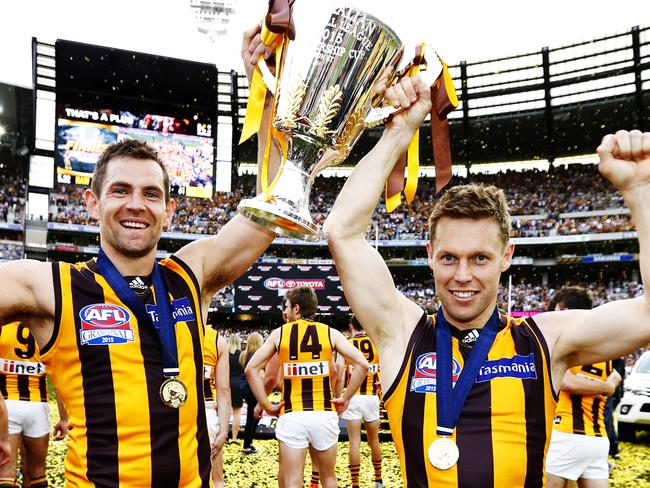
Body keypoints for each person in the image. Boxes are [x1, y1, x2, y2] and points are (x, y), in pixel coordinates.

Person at [323, 72, 650, 486]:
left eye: (480, 258)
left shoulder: (545, 341)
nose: (463, 276)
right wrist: (400, 131)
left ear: (506, 257)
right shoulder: (402, 334)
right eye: (448, 258)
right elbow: (342, 231)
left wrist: (641, 193)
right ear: (429, 256)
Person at [0, 100, 277, 484]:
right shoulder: (52, 286)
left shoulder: (190, 274)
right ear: (92, 203)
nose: (136, 204)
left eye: (150, 194)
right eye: (120, 190)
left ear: (169, 209)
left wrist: (263, 97)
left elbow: (271, 207)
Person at [245, 286, 369, 488]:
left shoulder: (279, 334)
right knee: (328, 478)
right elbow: (362, 365)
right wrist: (345, 399)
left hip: (293, 415)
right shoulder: (331, 333)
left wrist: (265, 404)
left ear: (296, 308)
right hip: (324, 414)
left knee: (293, 479)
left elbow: (251, 370)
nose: (284, 310)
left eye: (286, 306)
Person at [546, 286, 621, 488]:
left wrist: (606, 388)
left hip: (566, 433)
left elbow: (566, 381)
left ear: (563, 311)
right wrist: (607, 386)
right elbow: (616, 377)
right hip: (597, 438)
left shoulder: (567, 340)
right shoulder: (607, 342)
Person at [0, 322, 68, 487]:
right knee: (37, 473)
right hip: (38, 406)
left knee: (5, 475)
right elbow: (59, 378)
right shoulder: (43, 327)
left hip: (6, 404)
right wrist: (64, 418)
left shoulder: (3, 323)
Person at [340, 315, 384, 488]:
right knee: (375, 441)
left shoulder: (347, 346)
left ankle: (355, 483)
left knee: (354, 443)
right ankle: (378, 480)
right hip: (372, 397)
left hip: (353, 397)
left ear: (351, 327)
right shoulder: (376, 344)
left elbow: (341, 374)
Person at [202, 325, 230, 487]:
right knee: (217, 478)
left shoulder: (171, 329)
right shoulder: (216, 339)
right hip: (208, 410)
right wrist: (223, 431)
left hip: (179, 412)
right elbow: (224, 390)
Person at [239, 332, 264, 455]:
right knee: (253, 416)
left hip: (245, 387)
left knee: (253, 414)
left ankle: (248, 443)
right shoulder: (257, 356)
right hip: (252, 387)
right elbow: (259, 374)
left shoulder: (245, 355)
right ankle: (247, 445)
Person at [228, 334, 244, 444]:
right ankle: (234, 438)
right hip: (238, 384)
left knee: (224, 412)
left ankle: (223, 437)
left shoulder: (225, 355)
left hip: (226, 383)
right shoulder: (242, 355)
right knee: (237, 412)